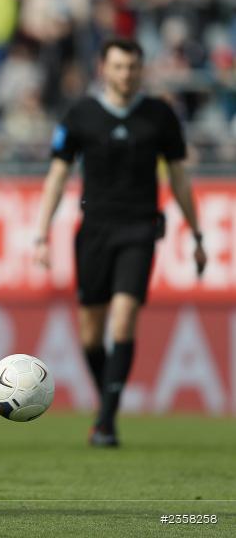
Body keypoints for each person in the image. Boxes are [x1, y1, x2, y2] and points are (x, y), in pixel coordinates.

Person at [34, 37, 207, 447]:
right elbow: (58, 175)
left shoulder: (160, 116)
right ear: (103, 68)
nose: (125, 75)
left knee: (124, 317)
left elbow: (179, 176)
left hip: (140, 228)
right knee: (91, 335)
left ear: (141, 70)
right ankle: (106, 404)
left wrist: (197, 232)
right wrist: (41, 234)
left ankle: (106, 423)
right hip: (94, 229)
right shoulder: (81, 114)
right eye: (118, 67)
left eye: (132, 67)